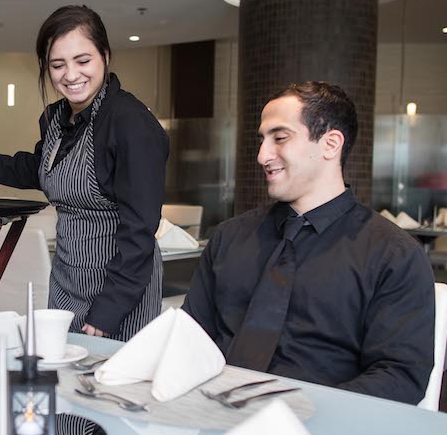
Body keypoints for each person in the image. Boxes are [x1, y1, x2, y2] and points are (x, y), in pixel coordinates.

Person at [182, 81, 434, 404]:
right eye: (262, 139)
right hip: (209, 417)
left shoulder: (393, 256)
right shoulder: (229, 238)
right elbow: (190, 340)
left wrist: (302, 414)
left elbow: (400, 376)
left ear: (330, 144)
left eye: (280, 138)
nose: (262, 155)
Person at [0, 5, 168, 341]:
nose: (71, 74)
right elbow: (36, 169)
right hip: (67, 281)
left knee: (107, 388)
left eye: (83, 61)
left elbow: (140, 232)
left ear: (105, 57)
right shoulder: (56, 119)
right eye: (57, 64)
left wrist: (107, 313)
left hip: (120, 292)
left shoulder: (130, 123)